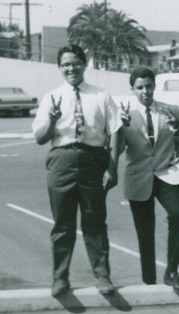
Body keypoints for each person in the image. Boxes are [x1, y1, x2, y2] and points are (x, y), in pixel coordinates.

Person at [32, 45, 122, 297]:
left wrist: (112, 168)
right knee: (63, 225)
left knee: (94, 222)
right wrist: (51, 119)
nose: (71, 68)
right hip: (61, 161)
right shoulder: (51, 97)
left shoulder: (101, 96)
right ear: (60, 68)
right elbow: (39, 138)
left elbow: (115, 132)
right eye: (65, 64)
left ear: (84, 64)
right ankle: (60, 278)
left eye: (75, 63)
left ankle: (102, 276)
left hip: (93, 160)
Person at [114, 68, 179, 292]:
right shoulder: (125, 115)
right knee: (144, 230)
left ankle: (172, 271)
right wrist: (119, 129)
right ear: (132, 90)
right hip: (138, 177)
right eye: (140, 87)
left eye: (148, 86)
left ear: (154, 87)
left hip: (167, 174)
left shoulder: (169, 110)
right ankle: (149, 280)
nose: (145, 91)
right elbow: (117, 150)